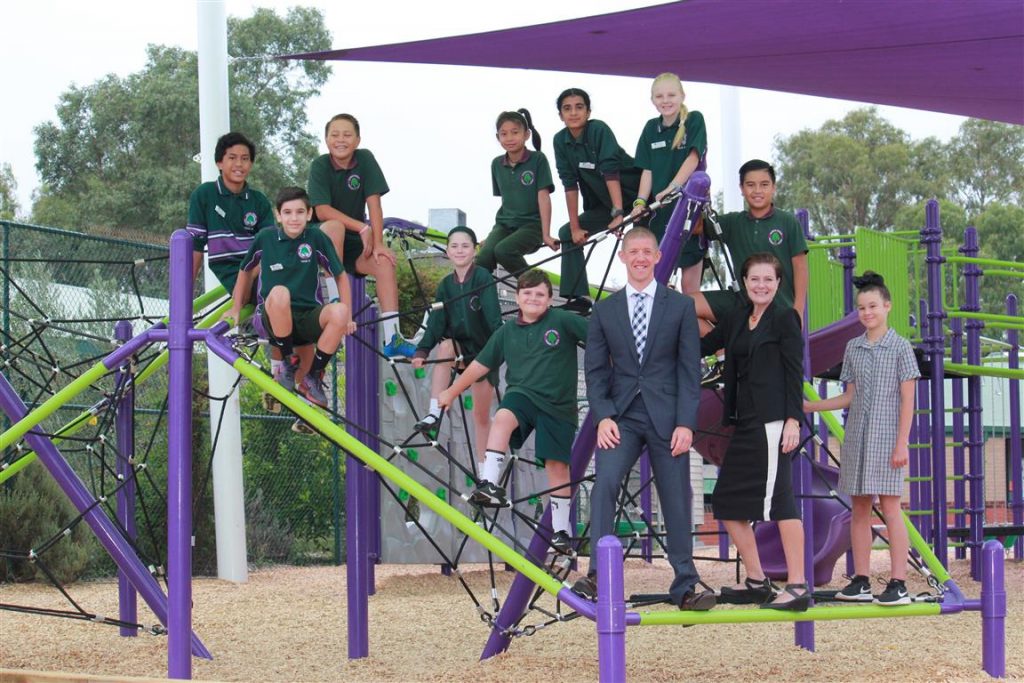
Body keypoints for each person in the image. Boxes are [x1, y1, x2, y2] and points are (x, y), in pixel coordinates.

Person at [575, 227, 714, 611]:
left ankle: (686, 584)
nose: (639, 257)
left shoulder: (681, 306)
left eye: (646, 251)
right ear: (622, 256)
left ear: (657, 258)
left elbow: (689, 370)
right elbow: (596, 371)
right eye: (632, 251)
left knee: (676, 496)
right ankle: (598, 577)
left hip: (668, 418)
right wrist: (602, 416)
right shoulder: (605, 310)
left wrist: (686, 423)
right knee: (604, 484)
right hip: (621, 417)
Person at [438, 269, 587, 556]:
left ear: (550, 298)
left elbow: (600, 338)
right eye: (527, 293)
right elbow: (481, 365)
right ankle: (490, 483)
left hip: (558, 406)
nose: (533, 298)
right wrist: (452, 391)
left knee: (556, 467)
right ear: (517, 298)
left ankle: (561, 531)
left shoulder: (564, 320)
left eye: (540, 294)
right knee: (503, 416)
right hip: (523, 395)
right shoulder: (506, 332)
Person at [699, 252, 809, 611]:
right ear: (745, 283)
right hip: (744, 422)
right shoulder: (737, 318)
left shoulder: (784, 318)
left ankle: (798, 586)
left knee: (781, 501)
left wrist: (793, 419)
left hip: (773, 422)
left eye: (769, 280)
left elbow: (795, 372)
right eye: (754, 279)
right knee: (727, 502)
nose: (761, 285)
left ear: (778, 284)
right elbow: (702, 345)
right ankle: (758, 581)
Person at [804, 271, 919, 605]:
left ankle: (898, 582)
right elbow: (849, 396)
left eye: (872, 306)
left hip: (888, 439)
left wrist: (902, 443)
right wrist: (813, 405)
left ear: (887, 306)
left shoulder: (900, 348)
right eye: (861, 308)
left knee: (891, 507)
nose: (867, 312)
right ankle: (862, 580)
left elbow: (908, 401)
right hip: (857, 438)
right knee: (859, 508)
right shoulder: (853, 347)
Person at [227, 187, 355, 408]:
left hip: (306, 317)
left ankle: (313, 376)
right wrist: (236, 307)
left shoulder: (315, 237)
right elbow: (245, 269)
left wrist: (349, 316)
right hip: (273, 316)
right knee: (280, 292)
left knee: (340, 311)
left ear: (308, 214)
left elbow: (341, 276)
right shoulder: (266, 238)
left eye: (299, 212)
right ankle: (288, 361)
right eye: (287, 212)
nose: (293, 218)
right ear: (278, 215)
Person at [308, 113, 415, 358]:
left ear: (357, 140)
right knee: (334, 226)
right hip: (324, 238)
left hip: (354, 241)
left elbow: (374, 204)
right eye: (334, 135)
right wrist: (362, 227)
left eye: (347, 134)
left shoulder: (365, 159)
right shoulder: (320, 165)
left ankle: (393, 337)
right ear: (326, 140)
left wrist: (377, 243)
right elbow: (322, 211)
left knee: (384, 262)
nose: (340, 140)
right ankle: (337, 311)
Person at [692, 159, 808, 385]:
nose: (757, 190)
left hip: (777, 308)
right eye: (751, 185)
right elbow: (697, 227)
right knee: (682, 306)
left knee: (774, 376)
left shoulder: (787, 222)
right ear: (742, 189)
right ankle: (724, 353)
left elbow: (801, 268)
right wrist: (701, 197)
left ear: (774, 187)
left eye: (764, 184)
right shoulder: (734, 222)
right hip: (741, 301)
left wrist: (798, 311)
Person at [412, 226, 503, 462]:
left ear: (475, 249)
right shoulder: (445, 286)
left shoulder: (483, 277)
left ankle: (487, 474)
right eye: (454, 246)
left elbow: (494, 319)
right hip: (460, 353)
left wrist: (501, 353)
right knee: (445, 347)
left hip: (484, 355)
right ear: (448, 252)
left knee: (480, 417)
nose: (460, 250)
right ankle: (434, 414)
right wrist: (422, 349)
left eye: (465, 246)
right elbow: (436, 322)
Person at [553, 88, 642, 315]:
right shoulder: (560, 141)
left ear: (589, 111)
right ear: (560, 115)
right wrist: (575, 227)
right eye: (567, 108)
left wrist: (619, 214)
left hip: (635, 195)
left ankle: (649, 294)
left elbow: (610, 172)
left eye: (579, 107)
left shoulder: (598, 130)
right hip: (604, 204)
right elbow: (569, 184)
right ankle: (579, 298)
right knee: (566, 233)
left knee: (641, 243)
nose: (573, 113)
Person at [630, 73, 709, 293]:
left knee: (690, 289)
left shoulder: (694, 120)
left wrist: (672, 188)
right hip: (660, 214)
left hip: (689, 213)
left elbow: (693, 158)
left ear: (682, 96)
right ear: (652, 100)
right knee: (656, 280)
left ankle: (693, 326)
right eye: (659, 96)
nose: (666, 100)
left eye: (671, 95)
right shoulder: (650, 128)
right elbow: (647, 170)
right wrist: (639, 202)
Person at [186, 132, 275, 293]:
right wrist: (185, 294)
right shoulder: (205, 194)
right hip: (234, 273)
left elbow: (269, 246)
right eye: (232, 158)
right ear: (219, 163)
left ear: (251, 164)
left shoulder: (259, 200)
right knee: (280, 290)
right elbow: (196, 246)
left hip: (260, 269)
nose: (239, 164)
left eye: (245, 158)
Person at [475, 109, 558, 277]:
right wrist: (493, 238)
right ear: (498, 137)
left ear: (526, 134)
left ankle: (534, 289)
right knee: (484, 257)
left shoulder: (538, 159)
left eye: (515, 132)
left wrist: (546, 234)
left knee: (504, 250)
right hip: (504, 225)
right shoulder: (496, 164)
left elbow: (543, 197)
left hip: (531, 226)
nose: (509, 138)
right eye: (504, 134)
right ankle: (481, 300)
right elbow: (508, 201)